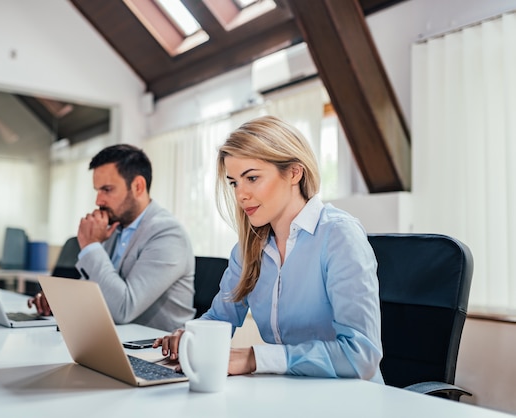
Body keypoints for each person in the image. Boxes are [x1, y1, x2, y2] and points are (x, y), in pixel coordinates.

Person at [154, 116, 383, 382]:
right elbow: (220, 317)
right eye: (234, 182)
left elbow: (361, 356)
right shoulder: (247, 248)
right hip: (285, 393)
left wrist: (254, 358)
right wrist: (190, 337)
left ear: (294, 173)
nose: (241, 194)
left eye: (252, 178)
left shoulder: (339, 236)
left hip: (349, 400)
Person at [29, 144, 196, 332]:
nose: (98, 201)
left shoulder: (168, 235)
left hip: (154, 352)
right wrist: (61, 301)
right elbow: (98, 295)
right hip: (112, 339)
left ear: (138, 186)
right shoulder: (114, 228)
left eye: (107, 190)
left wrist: (91, 246)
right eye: (97, 190)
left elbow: (123, 309)